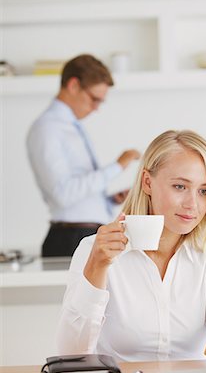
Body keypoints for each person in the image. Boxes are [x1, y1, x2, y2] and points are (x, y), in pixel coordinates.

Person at [56, 130, 206, 361]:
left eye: (204, 191)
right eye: (180, 186)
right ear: (147, 182)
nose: (192, 204)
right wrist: (97, 267)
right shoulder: (93, 250)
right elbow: (70, 357)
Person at [26, 54, 140, 257]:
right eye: (94, 99)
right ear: (73, 85)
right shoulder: (47, 129)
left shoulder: (70, 127)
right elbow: (63, 194)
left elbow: (74, 192)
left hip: (84, 234)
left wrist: (108, 199)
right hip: (70, 239)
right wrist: (117, 166)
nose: (96, 108)